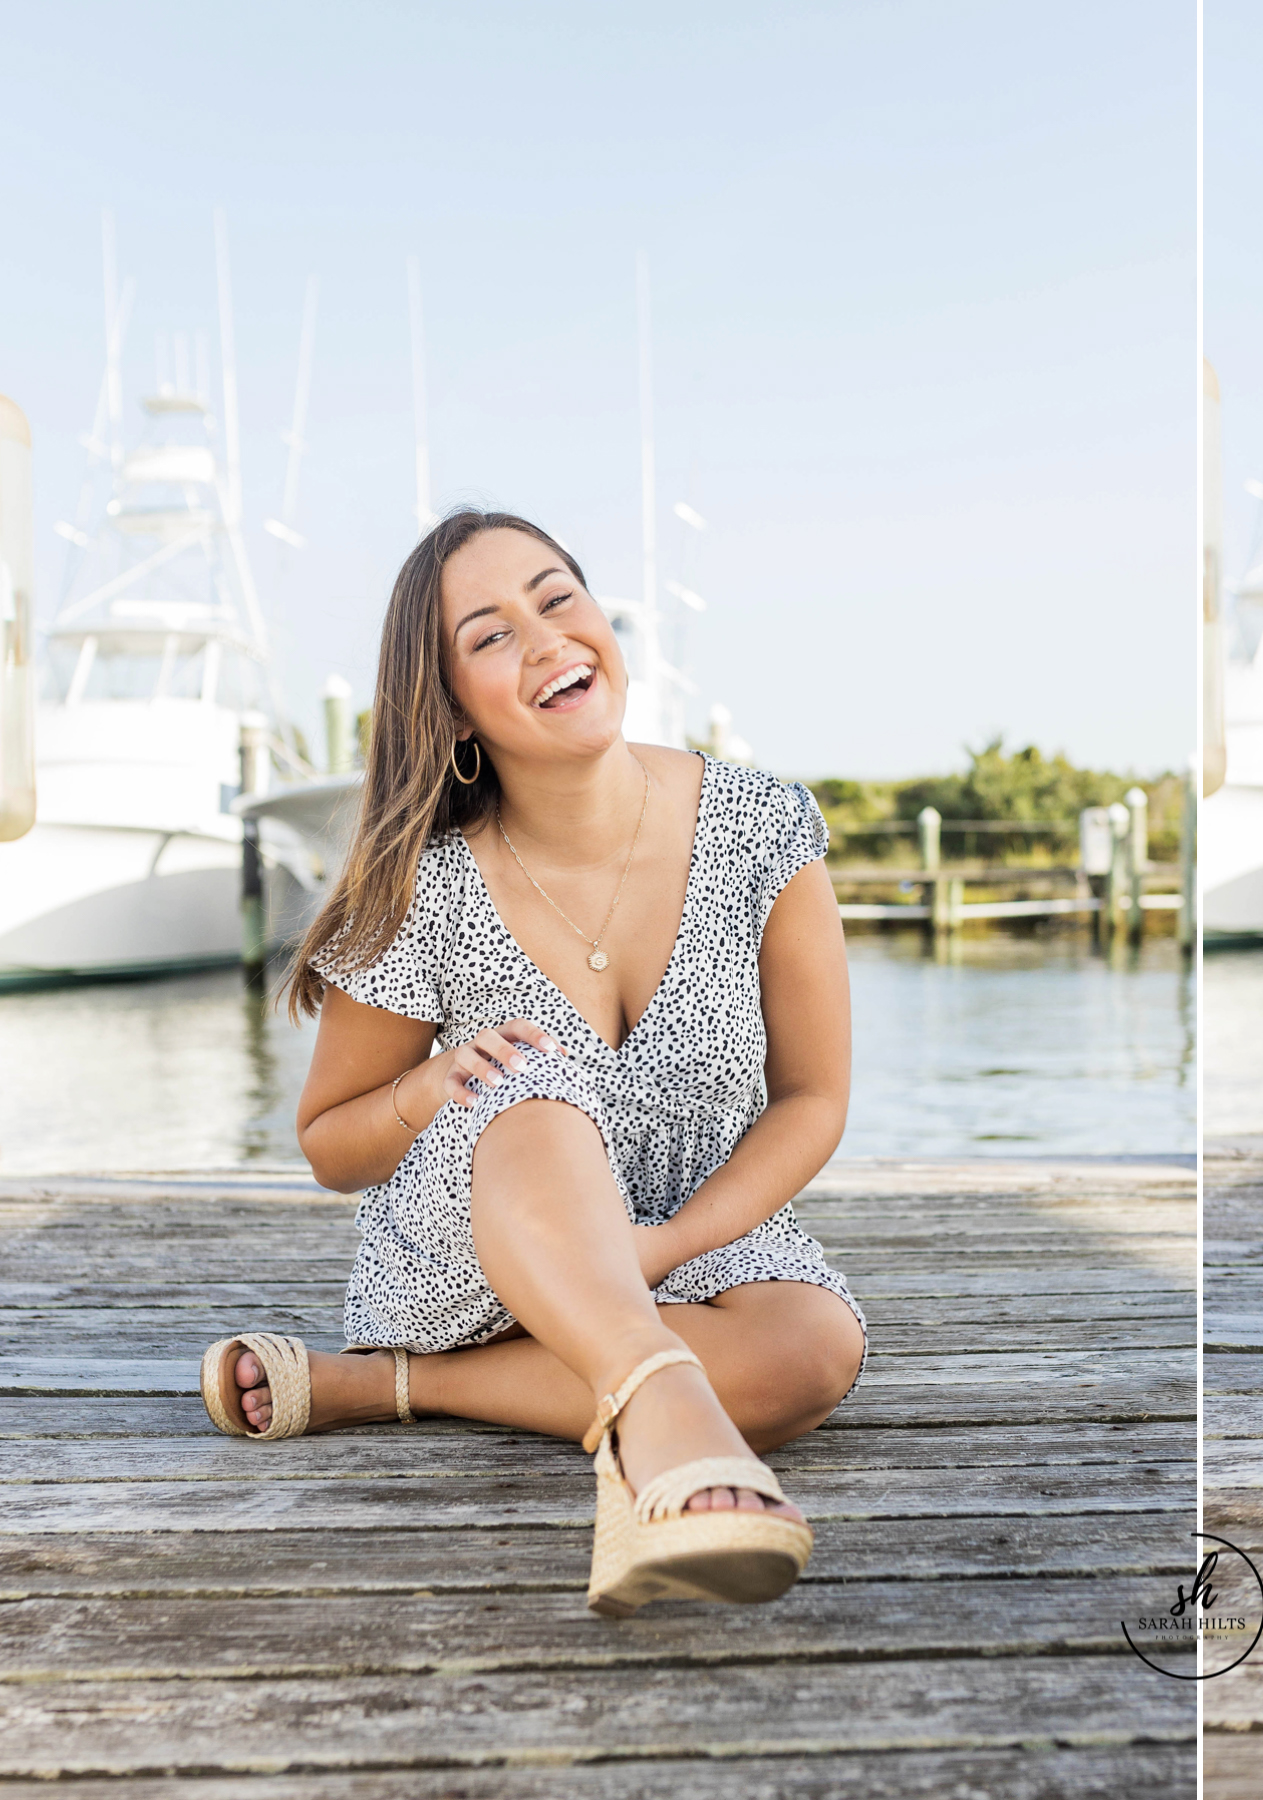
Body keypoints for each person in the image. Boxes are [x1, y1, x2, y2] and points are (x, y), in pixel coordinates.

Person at [200, 510, 865, 1615]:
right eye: (490, 634)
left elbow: (815, 1099)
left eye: (558, 598)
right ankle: (663, 1417)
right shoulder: (423, 884)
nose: (548, 636)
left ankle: (392, 1388)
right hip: (475, 1249)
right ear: (453, 707)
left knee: (816, 1348)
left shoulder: (762, 827)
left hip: (688, 1229)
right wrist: (427, 1084)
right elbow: (328, 1144)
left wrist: (656, 1249)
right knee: (539, 1086)